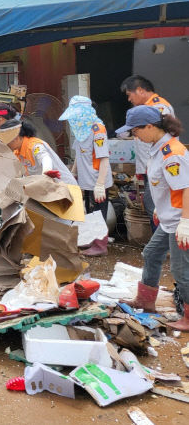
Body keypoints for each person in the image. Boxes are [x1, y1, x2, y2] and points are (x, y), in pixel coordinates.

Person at [117, 106, 189, 331]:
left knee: (181, 270)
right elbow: (165, 185)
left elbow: (186, 188)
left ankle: (188, 316)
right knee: (151, 253)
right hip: (169, 217)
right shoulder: (157, 148)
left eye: (136, 130)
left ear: (150, 126)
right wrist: (160, 207)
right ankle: (145, 300)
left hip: (180, 221)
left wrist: (186, 222)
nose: (134, 135)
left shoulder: (172, 154)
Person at [59, 95, 113, 256]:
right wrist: (73, 172)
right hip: (85, 178)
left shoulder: (98, 129)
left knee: (99, 212)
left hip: (98, 178)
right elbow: (79, 155)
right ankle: (91, 240)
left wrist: (100, 184)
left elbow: (104, 158)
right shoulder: (82, 128)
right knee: (89, 211)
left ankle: (101, 246)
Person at [121, 75, 174, 229]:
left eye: (129, 95)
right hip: (149, 166)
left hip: (160, 166)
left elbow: (164, 139)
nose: (129, 99)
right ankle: (160, 247)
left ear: (139, 90)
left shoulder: (159, 107)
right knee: (152, 206)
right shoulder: (147, 108)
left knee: (155, 206)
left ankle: (162, 247)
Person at [0, 119, 77, 185]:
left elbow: (45, 158)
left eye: (6, 141)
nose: (5, 144)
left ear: (16, 138)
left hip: (65, 188)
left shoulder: (34, 145)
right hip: (47, 189)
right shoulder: (17, 152)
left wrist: (46, 171)